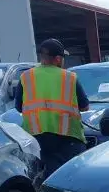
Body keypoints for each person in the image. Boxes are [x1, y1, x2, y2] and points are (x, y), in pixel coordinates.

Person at [16, 39, 90, 177]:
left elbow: (19, 108)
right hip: (68, 137)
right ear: (57, 59)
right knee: (74, 176)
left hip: (35, 137)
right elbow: (85, 106)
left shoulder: (26, 77)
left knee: (42, 176)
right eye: (63, 58)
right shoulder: (70, 77)